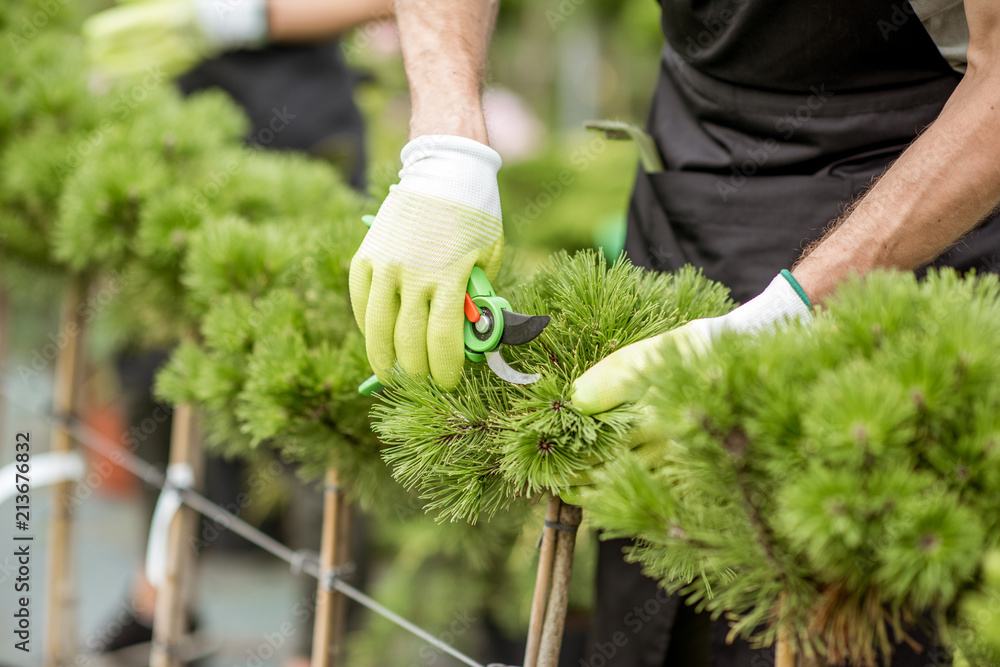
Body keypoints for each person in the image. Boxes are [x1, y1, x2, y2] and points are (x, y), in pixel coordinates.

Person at [348, 1, 1000, 665]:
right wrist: (446, 147)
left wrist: (791, 310)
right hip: (686, 176)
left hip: (914, 211)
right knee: (648, 596)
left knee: (845, 609)